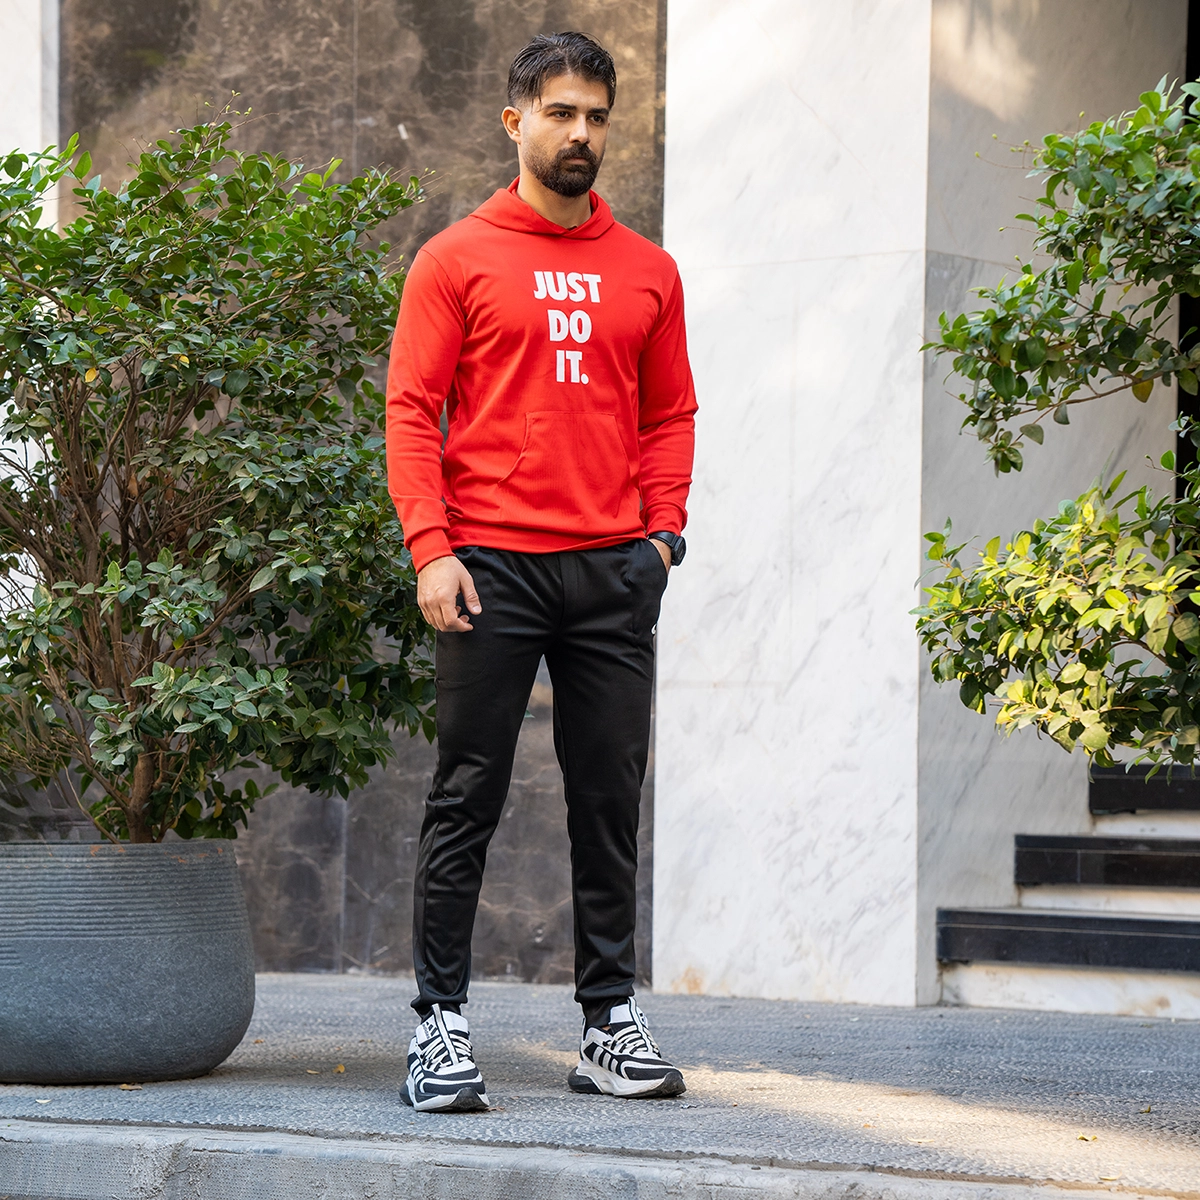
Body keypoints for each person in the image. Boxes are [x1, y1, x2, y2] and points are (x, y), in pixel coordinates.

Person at [386, 30, 697, 1112]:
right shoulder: (455, 258)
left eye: (597, 116)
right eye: (561, 113)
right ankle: (438, 1026)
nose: (581, 134)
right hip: (491, 569)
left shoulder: (649, 271)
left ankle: (608, 1022)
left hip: (612, 571)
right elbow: (413, 411)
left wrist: (662, 537)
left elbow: (670, 414)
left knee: (609, 800)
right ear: (515, 121)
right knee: (466, 795)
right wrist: (432, 548)